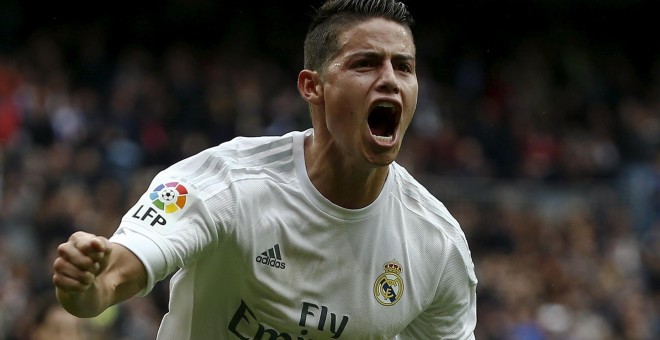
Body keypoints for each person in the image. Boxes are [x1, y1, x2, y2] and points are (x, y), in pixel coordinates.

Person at [52, 0, 478, 338]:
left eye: (403, 67)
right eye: (365, 63)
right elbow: (112, 278)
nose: (389, 79)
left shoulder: (436, 245)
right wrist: (87, 286)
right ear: (313, 87)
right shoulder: (226, 183)